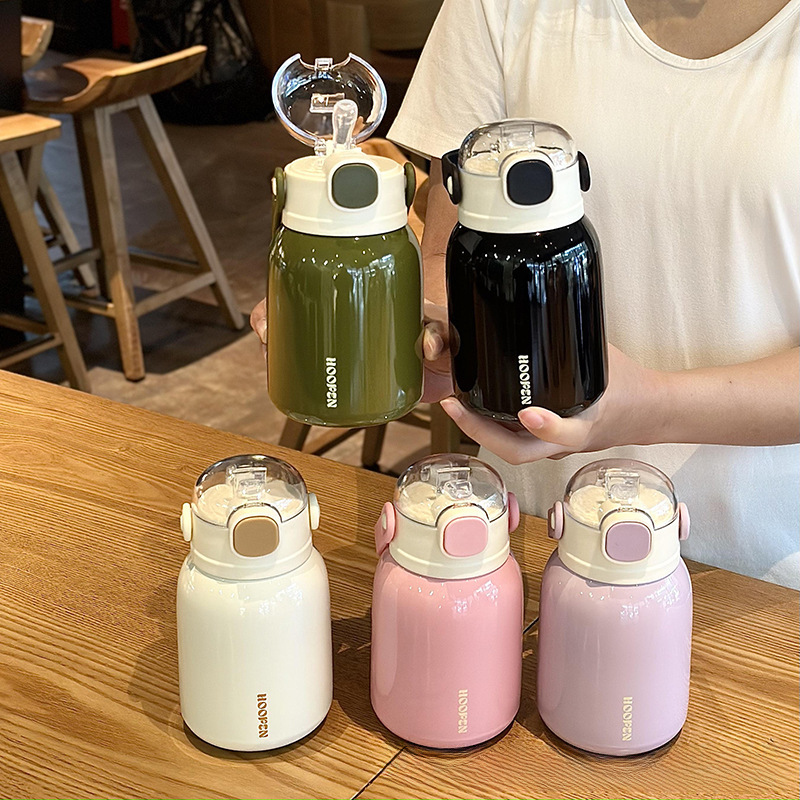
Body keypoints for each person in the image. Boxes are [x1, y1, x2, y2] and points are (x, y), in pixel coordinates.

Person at [252, 0, 800, 587]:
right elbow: (443, 256)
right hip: (523, 535)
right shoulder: (498, 9)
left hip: (762, 567)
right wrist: (440, 341)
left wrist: (652, 405)